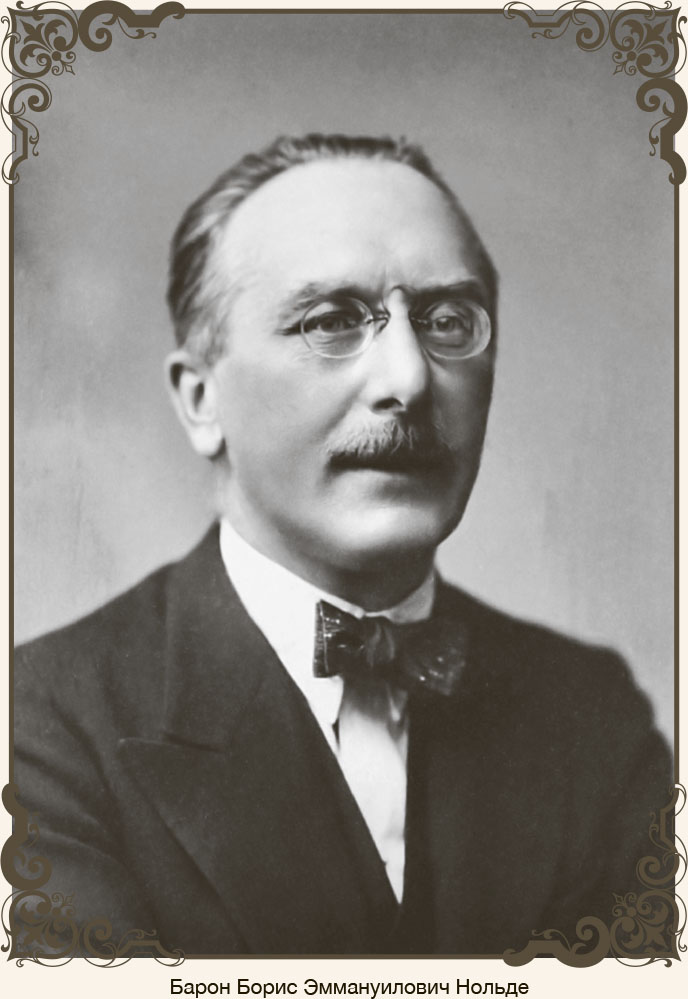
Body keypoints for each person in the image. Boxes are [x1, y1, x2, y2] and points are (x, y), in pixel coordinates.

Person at [13, 134, 672, 957]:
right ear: (201, 399)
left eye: (448, 322)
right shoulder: (38, 726)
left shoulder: (592, 714)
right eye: (330, 321)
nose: (409, 379)